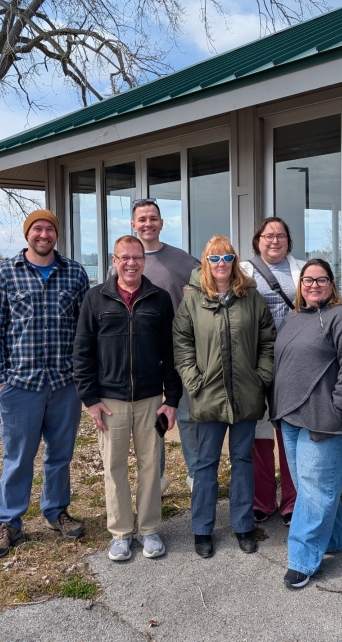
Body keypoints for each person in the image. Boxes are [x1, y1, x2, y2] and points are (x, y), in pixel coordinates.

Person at [0, 209, 90, 560]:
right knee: (18, 457)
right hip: (21, 385)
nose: (43, 235)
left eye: (49, 230)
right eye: (37, 229)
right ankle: (9, 523)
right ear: (27, 233)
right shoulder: (5, 274)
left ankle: (56, 511)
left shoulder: (74, 273)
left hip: (64, 383)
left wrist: (83, 375)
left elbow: (85, 332)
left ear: (56, 234)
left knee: (60, 456)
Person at [73, 235, 181, 562]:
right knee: (114, 467)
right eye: (125, 257)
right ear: (114, 259)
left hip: (151, 401)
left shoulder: (159, 299)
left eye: (137, 257)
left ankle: (148, 530)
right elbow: (82, 352)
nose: (131, 263)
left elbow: (170, 353)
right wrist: (90, 399)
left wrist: (171, 398)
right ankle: (120, 533)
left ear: (143, 261)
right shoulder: (96, 298)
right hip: (110, 401)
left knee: (151, 466)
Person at [173, 235, 275, 558]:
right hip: (208, 396)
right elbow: (182, 344)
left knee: (243, 461)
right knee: (205, 464)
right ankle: (202, 529)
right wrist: (194, 382)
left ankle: (243, 525)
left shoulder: (251, 297)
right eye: (214, 259)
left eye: (227, 259)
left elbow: (268, 341)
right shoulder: (192, 300)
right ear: (205, 263)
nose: (221, 265)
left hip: (246, 396)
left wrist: (261, 378)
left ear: (235, 262)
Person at [272, 259, 342, 589]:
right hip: (291, 416)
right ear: (300, 286)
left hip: (325, 421)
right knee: (311, 487)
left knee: (314, 491)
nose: (314, 285)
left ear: (332, 284)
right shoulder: (294, 317)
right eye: (307, 280)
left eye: (321, 279)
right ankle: (337, 539)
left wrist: (338, 410)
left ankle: (301, 559)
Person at [129, 198, 200, 492]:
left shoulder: (183, 260)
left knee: (187, 417)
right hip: (141, 358)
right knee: (149, 423)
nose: (148, 224)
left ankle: (198, 478)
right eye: (142, 219)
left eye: (153, 218)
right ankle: (154, 481)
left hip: (180, 355)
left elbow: (204, 296)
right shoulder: (126, 261)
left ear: (161, 223)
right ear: (134, 225)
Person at [240, 217, 302, 527]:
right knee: (258, 432)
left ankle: (291, 500)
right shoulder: (242, 272)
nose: (274, 240)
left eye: (280, 235)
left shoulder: (304, 271)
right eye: (267, 235)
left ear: (288, 241)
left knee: (289, 430)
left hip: (294, 364)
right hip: (254, 364)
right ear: (257, 241)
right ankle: (262, 500)